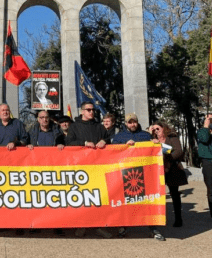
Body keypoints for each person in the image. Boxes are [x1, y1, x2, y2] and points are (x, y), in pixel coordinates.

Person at [111, 114, 165, 241]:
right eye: (130, 122)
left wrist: (155, 144)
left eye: (134, 122)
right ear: (125, 124)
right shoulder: (119, 137)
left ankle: (153, 228)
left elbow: (154, 151)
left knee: (146, 201)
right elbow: (112, 152)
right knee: (124, 202)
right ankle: (123, 227)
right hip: (124, 175)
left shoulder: (145, 136)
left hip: (144, 174)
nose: (132, 124)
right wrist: (123, 145)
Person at [62, 102, 110, 238]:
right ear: (82, 111)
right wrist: (84, 144)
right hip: (81, 168)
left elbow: (108, 139)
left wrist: (104, 141)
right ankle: (81, 225)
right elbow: (69, 143)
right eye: (88, 110)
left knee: (98, 197)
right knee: (83, 198)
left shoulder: (99, 126)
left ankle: (99, 226)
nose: (91, 112)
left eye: (93, 110)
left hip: (98, 167)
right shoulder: (74, 127)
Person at [150, 121, 188, 227]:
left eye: (158, 129)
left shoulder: (172, 137)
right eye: (154, 129)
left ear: (164, 128)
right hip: (157, 169)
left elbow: (178, 151)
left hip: (172, 168)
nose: (156, 131)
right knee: (156, 194)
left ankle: (178, 218)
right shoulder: (152, 139)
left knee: (174, 194)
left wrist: (161, 147)